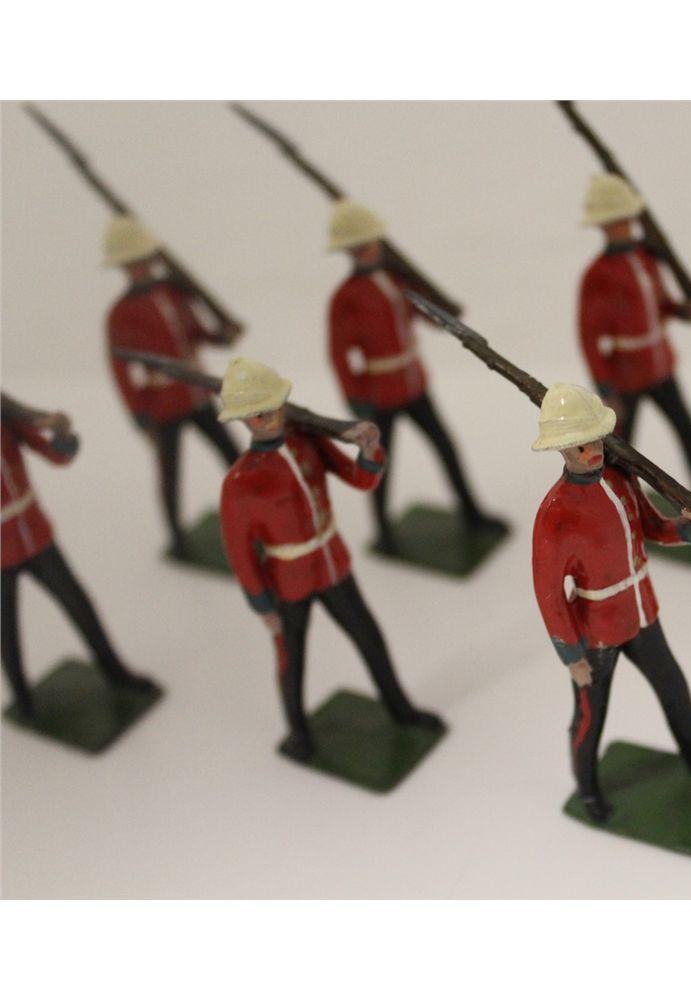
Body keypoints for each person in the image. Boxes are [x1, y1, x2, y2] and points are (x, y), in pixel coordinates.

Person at [531, 383, 691, 822]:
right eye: (578, 445)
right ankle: (588, 789)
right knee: (590, 715)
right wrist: (571, 654)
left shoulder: (621, 477)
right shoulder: (554, 515)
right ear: (562, 449)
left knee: (674, 688)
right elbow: (549, 594)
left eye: (593, 440)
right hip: (596, 631)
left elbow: (654, 528)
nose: (591, 451)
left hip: (642, 612)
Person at [217, 358, 443, 761]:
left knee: (370, 638)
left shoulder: (308, 442)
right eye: (258, 414)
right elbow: (239, 552)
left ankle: (401, 710)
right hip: (286, 580)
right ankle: (298, 732)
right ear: (244, 420)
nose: (270, 419)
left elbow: (360, 479)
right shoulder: (240, 481)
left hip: (332, 565)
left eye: (273, 408)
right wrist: (261, 603)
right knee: (292, 659)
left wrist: (370, 450)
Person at [326, 199, 504, 551]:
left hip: (414, 383)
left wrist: (444, 312)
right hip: (379, 394)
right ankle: (383, 530)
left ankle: (471, 513)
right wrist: (356, 399)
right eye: (358, 247)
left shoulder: (397, 279)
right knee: (381, 463)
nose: (367, 251)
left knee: (446, 446)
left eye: (370, 243)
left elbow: (422, 313)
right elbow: (339, 356)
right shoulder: (346, 298)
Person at [577, 174, 691, 511]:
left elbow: (660, 305)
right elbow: (588, 338)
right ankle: (613, 509)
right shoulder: (598, 274)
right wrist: (604, 387)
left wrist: (686, 311)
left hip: (661, 367)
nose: (624, 227)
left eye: (626, 219)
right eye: (615, 221)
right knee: (620, 451)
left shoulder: (647, 259)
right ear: (602, 226)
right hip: (625, 376)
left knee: (688, 432)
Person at [2, 399, 159, 717]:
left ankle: (116, 673)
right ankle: (22, 696)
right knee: (6, 627)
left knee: (79, 604)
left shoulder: (6, 419)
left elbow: (54, 454)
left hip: (35, 536)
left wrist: (61, 435)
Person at [104, 215, 241, 557]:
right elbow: (121, 371)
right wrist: (140, 414)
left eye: (143, 260)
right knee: (170, 475)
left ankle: (252, 516)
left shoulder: (172, 293)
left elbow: (193, 332)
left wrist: (221, 336)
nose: (140, 268)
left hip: (198, 393)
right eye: (132, 263)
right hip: (163, 404)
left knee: (234, 457)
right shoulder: (120, 313)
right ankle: (177, 538)